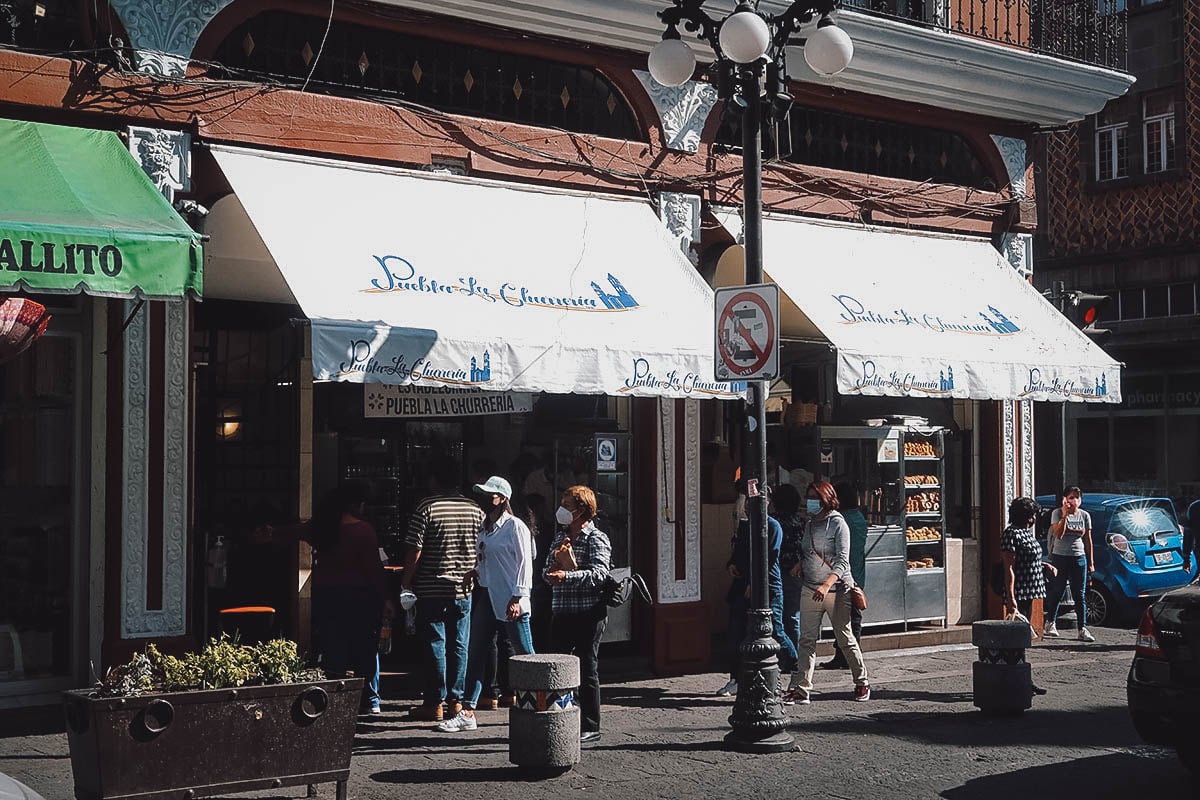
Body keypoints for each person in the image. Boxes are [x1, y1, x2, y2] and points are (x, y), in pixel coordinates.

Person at [438, 476, 535, 733]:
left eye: (489, 494)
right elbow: (486, 558)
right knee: (476, 651)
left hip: (510, 600)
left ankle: (540, 703)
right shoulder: (485, 528)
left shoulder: (515, 527)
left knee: (525, 653)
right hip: (489, 598)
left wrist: (518, 597)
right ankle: (468, 710)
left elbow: (526, 565)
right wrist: (475, 571)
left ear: (502, 499)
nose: (484, 498)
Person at [402, 461, 484, 722]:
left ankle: (434, 701)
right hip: (464, 587)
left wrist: (406, 581)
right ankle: (456, 702)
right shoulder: (475, 508)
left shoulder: (427, 507)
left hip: (431, 585)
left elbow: (415, 548)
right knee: (460, 644)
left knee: (435, 643)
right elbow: (485, 545)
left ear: (435, 481)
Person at [784, 480, 870, 705]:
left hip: (836, 590)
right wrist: (801, 564)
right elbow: (808, 550)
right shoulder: (810, 523)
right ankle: (802, 689)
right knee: (807, 640)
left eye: (815, 497)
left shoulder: (839, 524)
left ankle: (862, 681)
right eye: (809, 496)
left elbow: (843, 562)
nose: (811, 501)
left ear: (826, 498)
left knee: (844, 637)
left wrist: (826, 585)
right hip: (810, 587)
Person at [544, 485, 611, 745]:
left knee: (587, 668)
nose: (562, 509)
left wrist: (566, 576)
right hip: (562, 610)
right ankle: (558, 717)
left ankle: (591, 725)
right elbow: (546, 569)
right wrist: (551, 574)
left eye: (567, 504)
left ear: (582, 510)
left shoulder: (597, 538)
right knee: (557, 667)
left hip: (588, 612)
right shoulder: (560, 537)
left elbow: (599, 575)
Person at [720, 481, 799, 699]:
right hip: (741, 585)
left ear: (767, 503)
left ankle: (796, 670)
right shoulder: (746, 526)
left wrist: (755, 585)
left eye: (753, 500)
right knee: (736, 633)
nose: (747, 505)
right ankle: (736, 678)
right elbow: (738, 553)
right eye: (746, 500)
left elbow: (769, 557)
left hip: (768, 586)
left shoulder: (772, 526)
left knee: (776, 631)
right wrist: (732, 564)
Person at [307, 483, 388, 695]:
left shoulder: (323, 528)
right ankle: (369, 698)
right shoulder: (364, 530)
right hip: (360, 597)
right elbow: (374, 570)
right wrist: (385, 599)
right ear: (358, 505)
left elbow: (291, 532)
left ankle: (334, 696)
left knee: (334, 648)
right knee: (365, 648)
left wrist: (268, 533)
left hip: (328, 596)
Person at [1001, 495, 1059, 696]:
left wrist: (1044, 565)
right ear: (1026, 516)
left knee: (1021, 638)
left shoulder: (1026, 533)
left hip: (1031, 590)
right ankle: (1018, 678)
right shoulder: (1011, 534)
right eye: (1032, 514)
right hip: (1020, 591)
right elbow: (1009, 567)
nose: (1035, 518)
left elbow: (1028, 558)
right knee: (1017, 639)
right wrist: (1011, 598)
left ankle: (1022, 677)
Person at [821, 481, 868, 670]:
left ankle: (849, 656)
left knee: (846, 619)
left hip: (844, 575)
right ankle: (844, 655)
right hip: (857, 573)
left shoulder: (841, 521)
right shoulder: (858, 517)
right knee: (848, 618)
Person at [1043, 486, 1096, 643]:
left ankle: (1082, 628)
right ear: (1065, 499)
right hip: (1060, 556)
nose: (1075, 501)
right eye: (1071, 497)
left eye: (1077, 498)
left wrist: (1091, 562)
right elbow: (1058, 533)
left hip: (1078, 557)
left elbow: (1088, 540)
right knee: (1058, 590)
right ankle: (1050, 622)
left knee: (1079, 594)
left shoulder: (1085, 516)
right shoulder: (1057, 513)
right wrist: (1065, 516)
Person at [776, 484, 807, 680]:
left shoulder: (773, 521)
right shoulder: (801, 522)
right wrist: (800, 564)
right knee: (793, 618)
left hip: (776, 572)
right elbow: (806, 548)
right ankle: (796, 656)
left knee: (776, 617)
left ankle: (787, 656)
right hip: (795, 572)